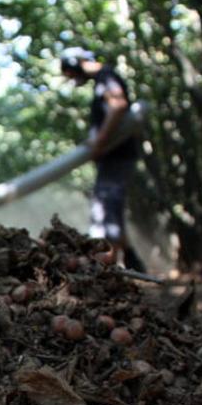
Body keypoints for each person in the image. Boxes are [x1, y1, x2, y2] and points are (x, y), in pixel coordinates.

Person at [60, 46, 146, 272]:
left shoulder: (106, 77)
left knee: (104, 211)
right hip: (115, 158)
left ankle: (105, 267)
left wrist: (99, 142)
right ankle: (131, 260)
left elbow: (118, 106)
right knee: (110, 209)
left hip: (116, 157)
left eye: (70, 73)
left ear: (74, 63)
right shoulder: (103, 79)